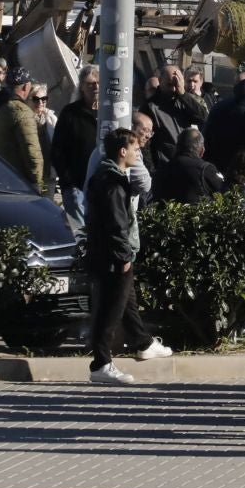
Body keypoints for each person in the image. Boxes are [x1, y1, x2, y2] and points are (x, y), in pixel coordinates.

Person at [84, 128, 172, 382]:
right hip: (113, 257)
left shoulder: (110, 177)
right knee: (111, 309)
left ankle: (143, 342)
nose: (138, 152)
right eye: (135, 149)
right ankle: (101, 364)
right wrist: (123, 256)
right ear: (122, 152)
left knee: (127, 301)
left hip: (111, 254)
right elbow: (117, 224)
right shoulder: (112, 183)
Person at [50, 67, 101, 223]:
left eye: (99, 83)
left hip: (102, 188)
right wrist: (68, 184)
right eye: (91, 84)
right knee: (80, 236)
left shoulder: (109, 113)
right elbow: (57, 150)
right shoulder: (70, 113)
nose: (96, 87)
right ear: (82, 87)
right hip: (77, 188)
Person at [0, 72, 48, 193]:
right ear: (26, 86)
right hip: (18, 180)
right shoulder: (22, 111)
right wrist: (37, 183)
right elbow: (32, 151)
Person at [152, 126, 226, 205]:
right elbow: (226, 192)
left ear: (177, 147)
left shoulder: (160, 171)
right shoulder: (205, 169)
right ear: (202, 150)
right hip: (198, 216)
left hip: (165, 216)